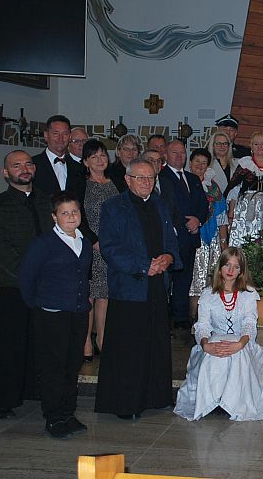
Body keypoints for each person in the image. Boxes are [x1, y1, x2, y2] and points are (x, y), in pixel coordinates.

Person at [95, 157, 181, 419]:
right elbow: (110, 248)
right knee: (129, 347)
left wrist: (168, 257)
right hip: (129, 285)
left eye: (150, 178)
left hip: (157, 285)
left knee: (156, 342)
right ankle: (126, 403)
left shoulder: (160, 204)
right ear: (127, 180)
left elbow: (170, 240)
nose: (146, 182)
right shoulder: (113, 207)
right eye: (140, 178)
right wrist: (144, 266)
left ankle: (157, 396)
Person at [0, 150, 53, 420]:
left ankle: (35, 390)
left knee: (39, 342)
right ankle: (2, 399)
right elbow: (0, 248)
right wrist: (29, 274)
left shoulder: (47, 201)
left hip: (45, 285)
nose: (24, 169)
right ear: (5, 173)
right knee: (8, 345)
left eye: (28, 164)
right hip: (11, 284)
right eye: (17, 165)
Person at [18, 191, 92, 438]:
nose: (71, 217)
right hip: (52, 314)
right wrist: (39, 304)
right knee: (53, 367)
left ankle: (68, 413)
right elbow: (26, 278)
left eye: (74, 211)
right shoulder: (44, 243)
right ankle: (54, 416)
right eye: (64, 213)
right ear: (54, 217)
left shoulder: (84, 241)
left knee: (72, 365)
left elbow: (83, 277)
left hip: (78, 313)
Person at [174, 247, 263, 421]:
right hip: (214, 339)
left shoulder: (249, 294)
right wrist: (206, 344)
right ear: (220, 268)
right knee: (215, 351)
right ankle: (211, 402)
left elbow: (249, 323)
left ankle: (233, 404)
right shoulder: (208, 294)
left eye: (236, 267)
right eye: (227, 265)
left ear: (241, 271)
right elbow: (203, 325)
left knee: (237, 354)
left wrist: (240, 343)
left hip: (243, 342)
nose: (230, 270)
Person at [159, 140, 209, 329]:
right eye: (175, 152)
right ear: (165, 155)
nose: (179, 156)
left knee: (184, 278)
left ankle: (180, 317)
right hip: (171, 237)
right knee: (166, 280)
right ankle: (163, 318)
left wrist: (198, 220)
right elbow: (165, 206)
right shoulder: (161, 177)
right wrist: (185, 222)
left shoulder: (193, 178)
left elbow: (203, 205)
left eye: (182, 152)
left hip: (190, 237)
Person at [81, 140, 120, 360]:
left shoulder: (115, 183)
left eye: (103, 155)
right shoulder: (83, 185)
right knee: (89, 295)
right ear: (85, 162)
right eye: (94, 156)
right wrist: (93, 241)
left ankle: (102, 338)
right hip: (91, 246)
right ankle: (86, 340)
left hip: (112, 246)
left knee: (105, 294)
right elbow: (78, 217)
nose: (99, 160)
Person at [188, 148, 228, 322]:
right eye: (197, 161)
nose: (200, 165)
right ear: (190, 163)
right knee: (195, 280)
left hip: (212, 240)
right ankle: (194, 320)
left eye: (204, 162)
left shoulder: (213, 187)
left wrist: (223, 242)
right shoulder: (185, 184)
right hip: (193, 238)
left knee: (213, 280)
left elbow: (221, 216)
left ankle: (212, 320)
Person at [225, 132, 263, 247]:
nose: (259, 147)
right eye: (256, 144)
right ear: (251, 146)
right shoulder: (244, 164)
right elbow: (234, 190)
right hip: (246, 211)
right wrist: (231, 214)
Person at [32, 115, 84, 197]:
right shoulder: (32, 165)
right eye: (55, 133)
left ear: (69, 137)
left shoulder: (79, 168)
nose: (60, 138)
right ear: (46, 135)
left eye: (65, 134)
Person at [207, 131, 239, 196]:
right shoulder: (207, 165)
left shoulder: (238, 163)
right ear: (212, 146)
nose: (222, 146)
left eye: (225, 143)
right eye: (218, 143)